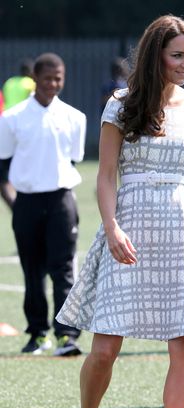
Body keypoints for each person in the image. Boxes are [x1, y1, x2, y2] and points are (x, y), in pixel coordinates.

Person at [56, 14, 184, 408]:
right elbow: (106, 176)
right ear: (155, 56)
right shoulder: (120, 104)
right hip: (128, 228)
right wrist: (111, 228)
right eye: (177, 55)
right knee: (106, 348)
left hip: (180, 231)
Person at [0, 53, 86, 356]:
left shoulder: (75, 118)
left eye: (58, 78)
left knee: (63, 269)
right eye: (47, 78)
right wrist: (13, 200)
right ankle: (37, 333)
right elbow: (4, 163)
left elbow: (73, 158)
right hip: (27, 203)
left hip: (61, 200)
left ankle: (66, 335)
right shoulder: (12, 118)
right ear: (34, 78)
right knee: (32, 270)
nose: (53, 84)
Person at [0, 58, 35, 211]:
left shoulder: (9, 82)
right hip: (23, 126)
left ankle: (15, 205)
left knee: (6, 168)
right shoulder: (30, 83)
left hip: (7, 124)